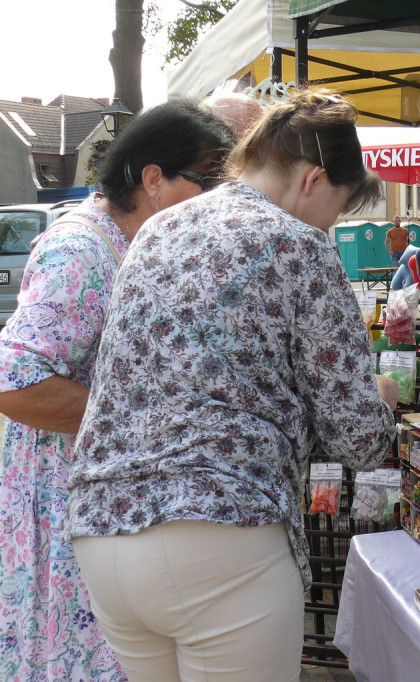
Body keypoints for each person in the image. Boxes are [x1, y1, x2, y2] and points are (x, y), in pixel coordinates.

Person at [64, 89, 399, 682]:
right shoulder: (300, 245)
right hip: (220, 533)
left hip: (103, 526)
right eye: (339, 207)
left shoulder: (159, 229)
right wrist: (384, 402)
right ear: (314, 179)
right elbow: (357, 440)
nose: (332, 224)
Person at [0, 99, 235, 682]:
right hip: (65, 503)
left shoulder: (127, 244)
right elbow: (13, 380)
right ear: (153, 178)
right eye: (207, 180)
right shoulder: (79, 250)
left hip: (94, 505)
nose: (217, 198)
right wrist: (150, 418)